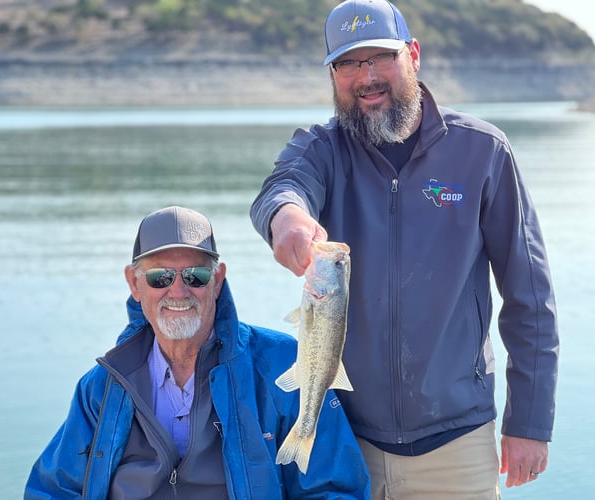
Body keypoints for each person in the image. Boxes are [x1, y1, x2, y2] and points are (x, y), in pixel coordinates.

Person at [250, 1, 560, 498]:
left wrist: (530, 420)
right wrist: (285, 216)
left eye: (381, 58)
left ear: (413, 54)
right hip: (345, 442)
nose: (366, 76)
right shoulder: (321, 148)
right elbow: (282, 186)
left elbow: (530, 298)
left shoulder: (483, 153)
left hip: (456, 443)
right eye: (348, 63)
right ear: (332, 75)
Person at [25, 205, 370, 499]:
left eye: (196, 275)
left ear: (217, 280)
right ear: (134, 284)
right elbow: (53, 489)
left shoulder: (283, 364)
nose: (178, 291)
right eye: (160, 277)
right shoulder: (100, 387)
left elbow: (335, 487)